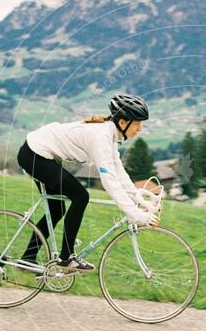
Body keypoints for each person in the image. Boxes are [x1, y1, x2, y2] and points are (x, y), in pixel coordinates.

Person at [16, 93, 160, 272]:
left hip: (40, 153)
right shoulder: (101, 137)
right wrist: (136, 215)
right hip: (35, 154)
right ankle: (67, 257)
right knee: (80, 196)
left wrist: (137, 198)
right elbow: (109, 181)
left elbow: (118, 171)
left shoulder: (110, 134)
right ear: (123, 123)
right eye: (138, 123)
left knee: (57, 208)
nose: (140, 128)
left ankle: (27, 258)